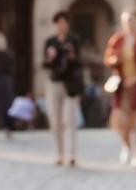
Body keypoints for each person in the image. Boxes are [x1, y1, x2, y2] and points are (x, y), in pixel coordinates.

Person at [103, 9, 136, 168]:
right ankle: (126, 146)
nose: (130, 25)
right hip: (123, 87)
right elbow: (108, 58)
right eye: (126, 21)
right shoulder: (117, 40)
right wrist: (114, 60)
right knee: (122, 121)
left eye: (132, 21)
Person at [42, 11, 84, 166]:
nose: (62, 26)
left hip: (70, 84)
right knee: (55, 120)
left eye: (64, 22)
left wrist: (72, 55)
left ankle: (72, 154)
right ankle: (59, 153)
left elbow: (79, 62)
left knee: (69, 119)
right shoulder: (50, 42)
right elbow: (45, 64)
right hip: (54, 82)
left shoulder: (74, 40)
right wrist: (51, 58)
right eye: (59, 23)